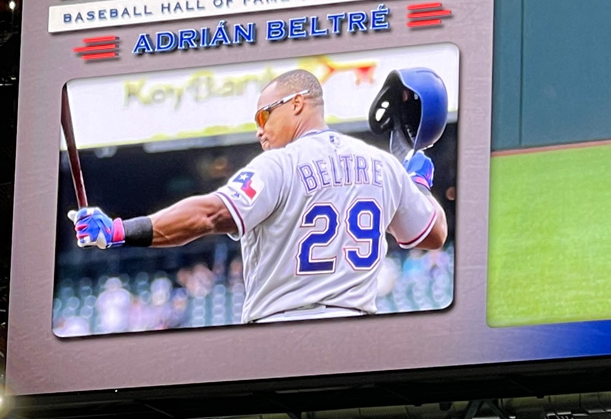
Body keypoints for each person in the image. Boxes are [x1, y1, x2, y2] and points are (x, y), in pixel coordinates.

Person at [70, 68, 447, 323]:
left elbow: (208, 215)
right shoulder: (383, 165)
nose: (259, 131)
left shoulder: (279, 165)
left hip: (282, 332)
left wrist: (119, 230)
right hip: (356, 338)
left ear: (298, 103)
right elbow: (433, 234)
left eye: (264, 116)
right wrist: (415, 185)